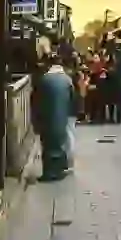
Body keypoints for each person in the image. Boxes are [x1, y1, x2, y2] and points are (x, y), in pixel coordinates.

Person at [33, 54, 77, 182]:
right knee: (61, 140)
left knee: (47, 143)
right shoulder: (67, 80)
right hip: (62, 115)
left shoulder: (44, 80)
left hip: (46, 116)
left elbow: (36, 99)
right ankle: (59, 170)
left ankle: (48, 172)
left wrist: (36, 118)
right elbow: (73, 98)